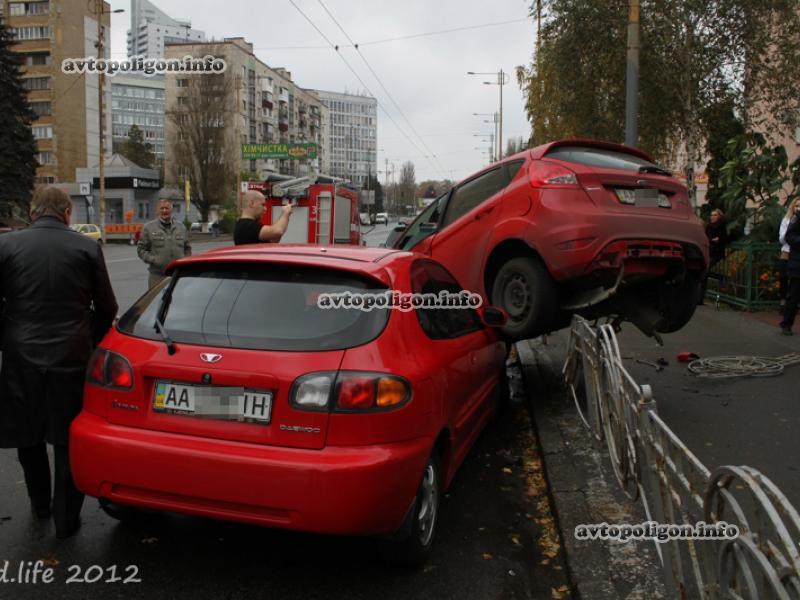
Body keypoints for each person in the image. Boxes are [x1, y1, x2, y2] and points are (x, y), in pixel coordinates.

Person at [0, 186, 118, 538]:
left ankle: (40, 508)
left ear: (32, 211)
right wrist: (91, 340)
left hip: (21, 354)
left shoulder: (7, 246)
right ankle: (67, 520)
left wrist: (8, 336)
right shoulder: (85, 247)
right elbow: (108, 307)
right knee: (67, 439)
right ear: (67, 212)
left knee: (28, 435)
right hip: (72, 354)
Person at [137, 199, 191, 288]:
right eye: (162, 208)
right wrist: (153, 260)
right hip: (157, 276)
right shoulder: (149, 228)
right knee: (156, 300)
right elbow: (141, 249)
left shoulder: (181, 227)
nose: (164, 211)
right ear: (158, 210)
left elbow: (187, 248)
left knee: (179, 301)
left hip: (178, 275)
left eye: (167, 208)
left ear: (171, 210)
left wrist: (185, 260)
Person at [779, 200, 800, 335]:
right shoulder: (797, 217)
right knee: (794, 295)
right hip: (798, 263)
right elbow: (789, 236)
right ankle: (786, 323)